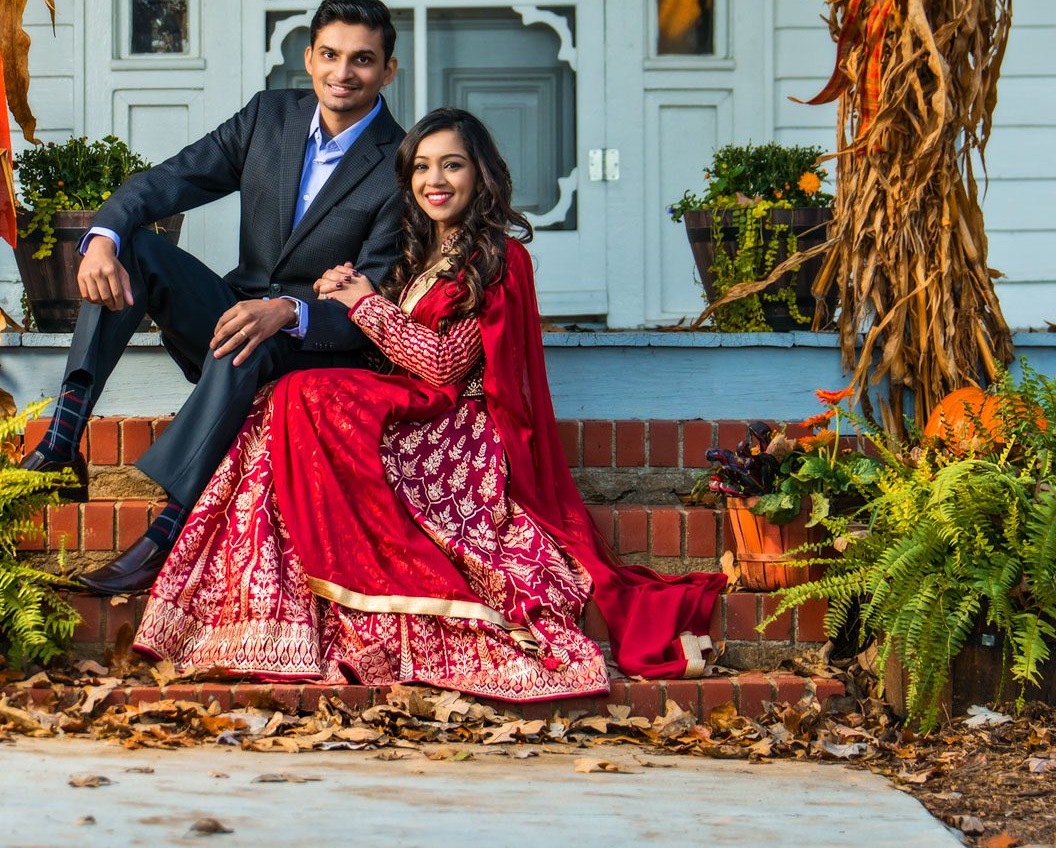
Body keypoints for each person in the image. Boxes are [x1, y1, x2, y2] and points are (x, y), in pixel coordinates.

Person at [133, 108, 726, 697]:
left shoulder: (497, 258)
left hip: (458, 431)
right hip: (411, 411)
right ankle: (259, 610)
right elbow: (386, 347)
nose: (434, 180)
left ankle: (273, 591)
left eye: (452, 165)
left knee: (301, 395)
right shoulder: (416, 258)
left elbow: (444, 363)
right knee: (290, 397)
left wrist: (366, 303)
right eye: (421, 167)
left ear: (481, 175)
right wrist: (343, 292)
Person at [20, 0, 406, 595]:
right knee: (135, 247)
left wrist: (289, 311)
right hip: (231, 317)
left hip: (313, 343)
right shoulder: (268, 117)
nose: (343, 72)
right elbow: (170, 179)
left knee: (248, 342)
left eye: (362, 59)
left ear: (388, 70)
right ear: (308, 58)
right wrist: (101, 239)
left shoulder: (402, 164)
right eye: (330, 55)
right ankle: (64, 436)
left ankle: (165, 535)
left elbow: (377, 298)